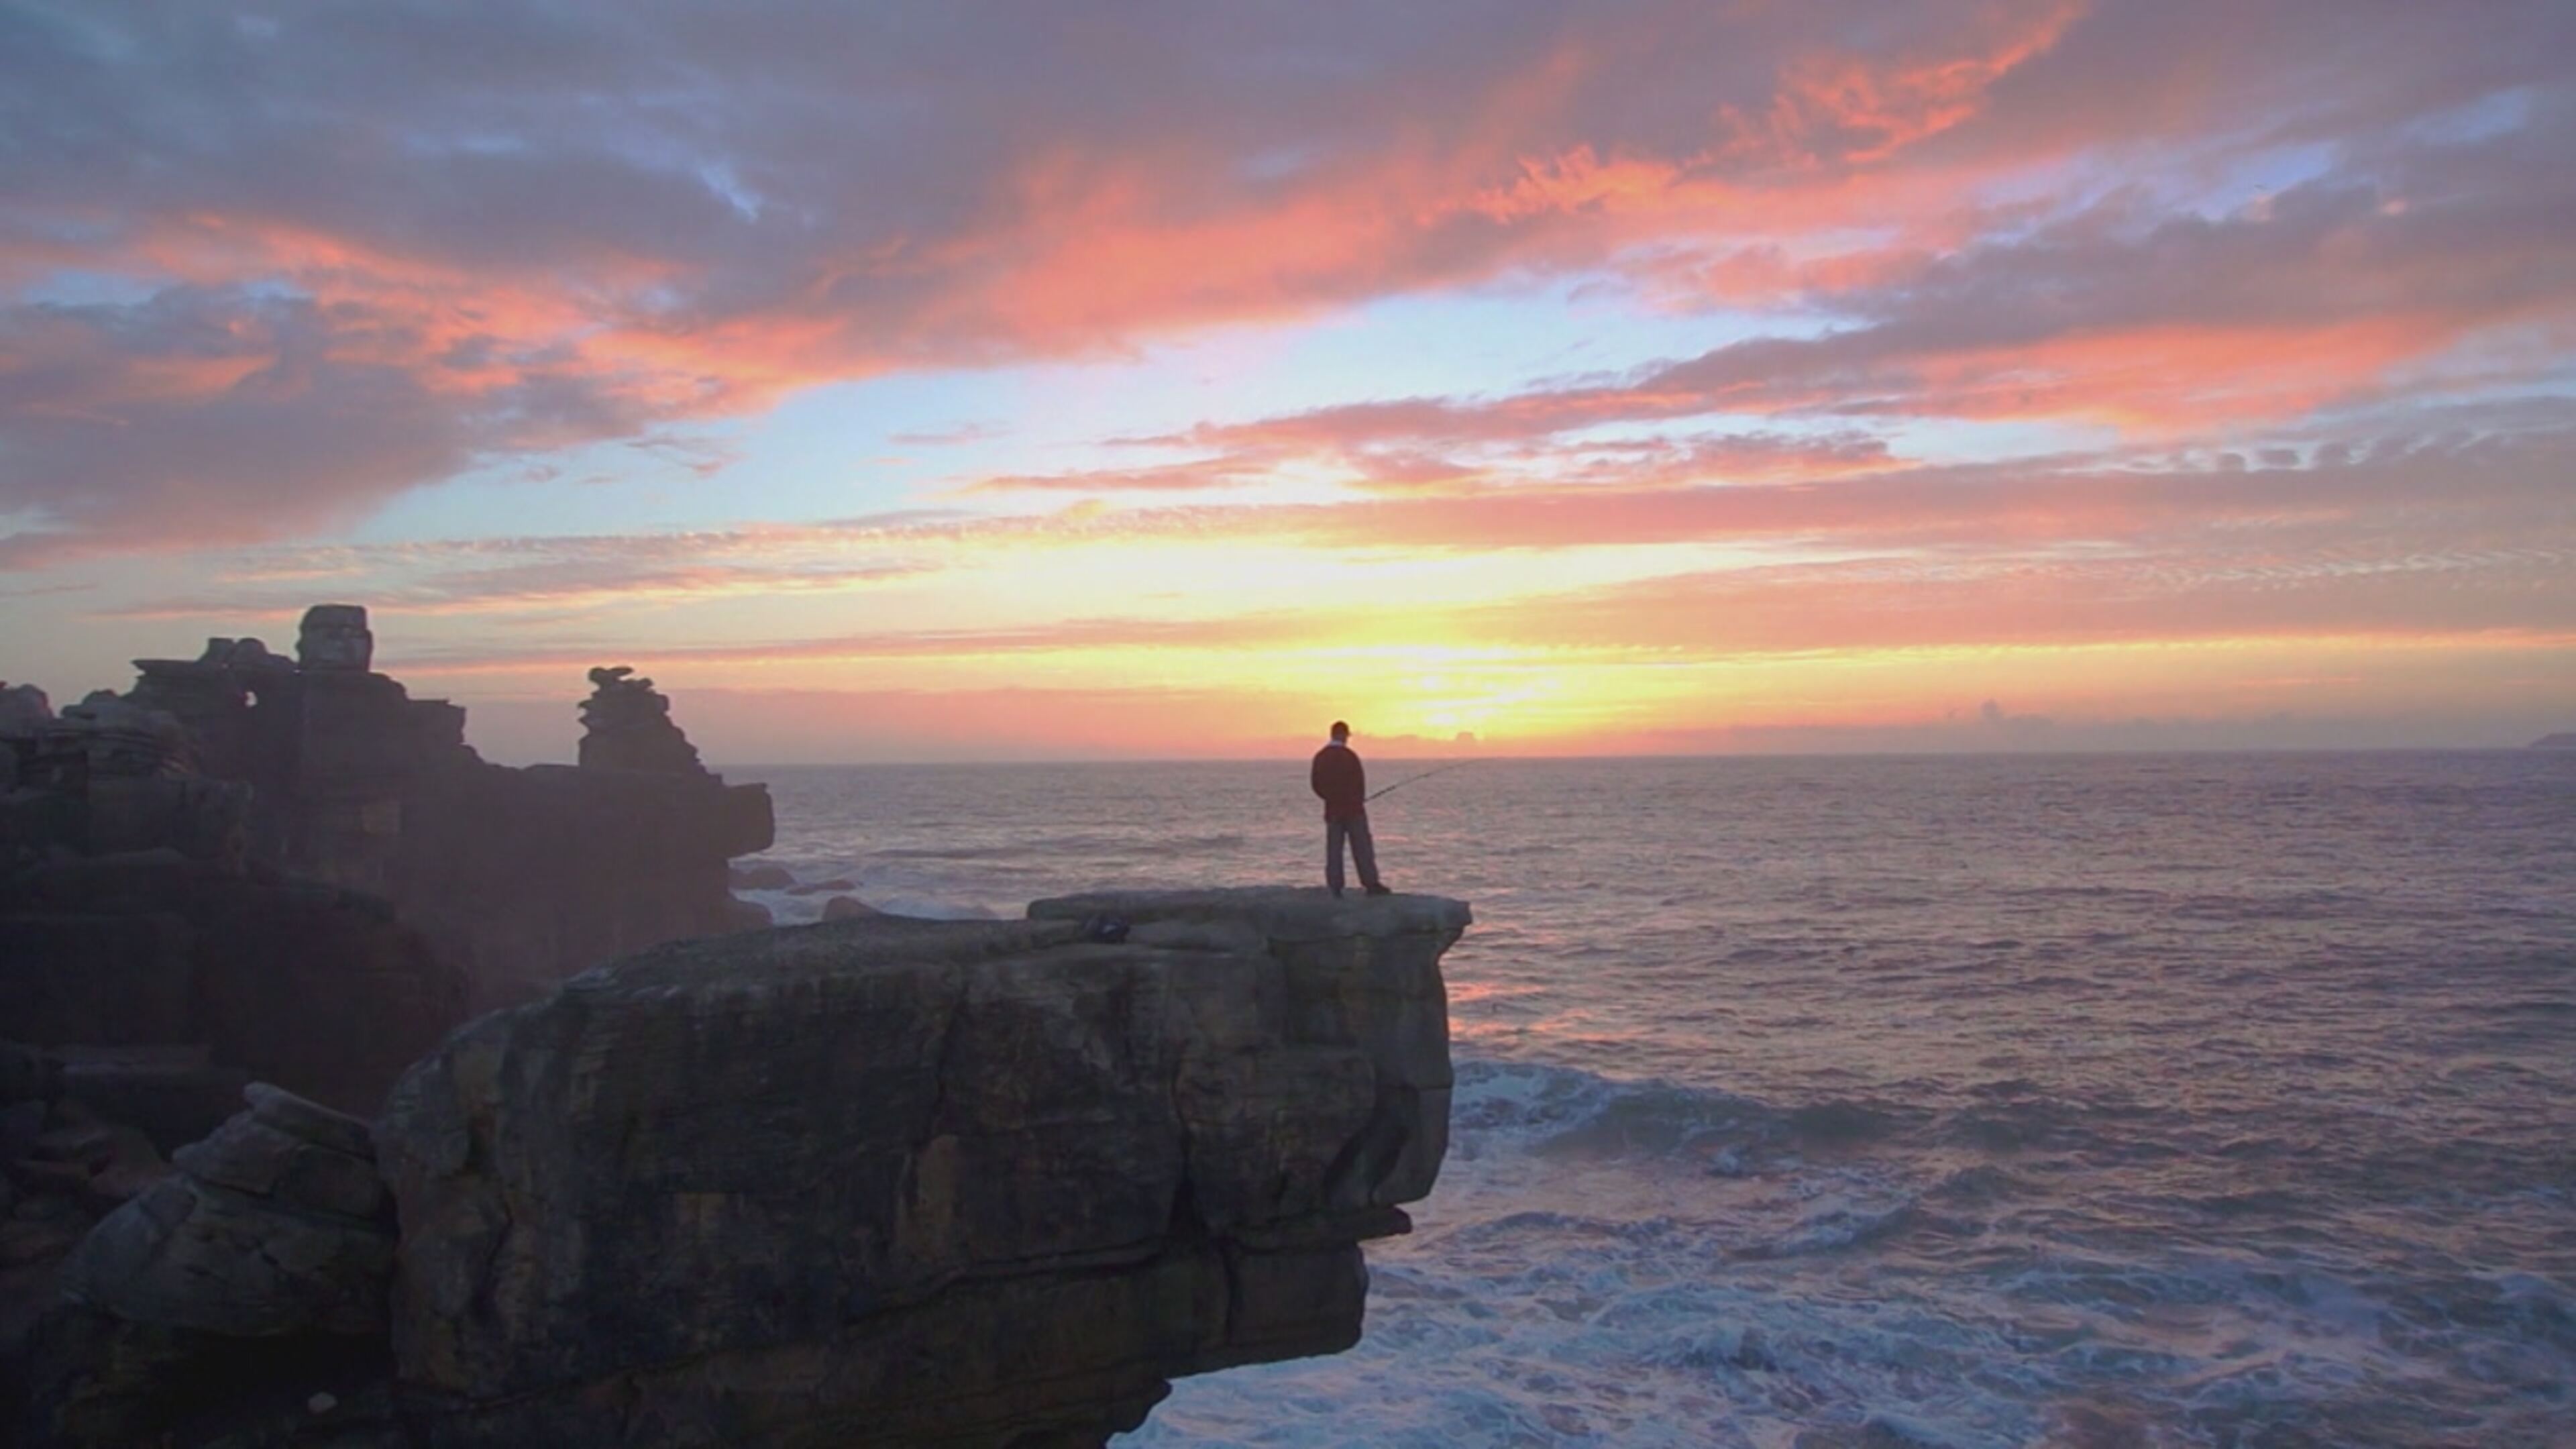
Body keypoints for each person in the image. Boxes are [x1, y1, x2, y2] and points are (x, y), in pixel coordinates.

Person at [1309, 720, 1392, 898]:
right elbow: (1359, 783)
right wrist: (1356, 800)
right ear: (1343, 735)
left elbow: (1316, 785)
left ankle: (1335, 887)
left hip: (1332, 811)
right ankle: (1371, 884)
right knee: (1362, 847)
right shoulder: (1350, 757)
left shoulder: (1321, 757)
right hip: (1354, 810)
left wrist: (1331, 798)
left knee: (1334, 850)